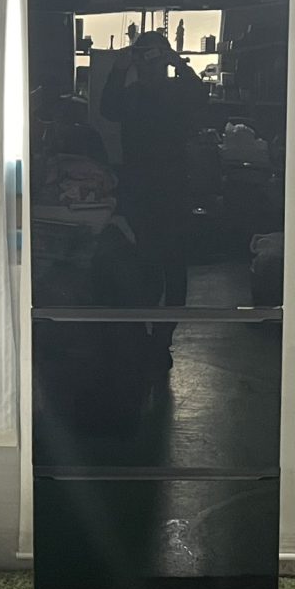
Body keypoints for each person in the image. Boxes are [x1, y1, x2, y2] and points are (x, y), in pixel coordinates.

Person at [99, 30, 207, 361]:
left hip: (166, 187)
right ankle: (149, 334)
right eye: (145, 55)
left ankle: (161, 337)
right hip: (147, 186)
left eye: (154, 55)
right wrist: (120, 69)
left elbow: (200, 98)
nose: (150, 62)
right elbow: (108, 109)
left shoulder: (175, 92)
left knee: (169, 264)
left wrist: (179, 64)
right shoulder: (133, 95)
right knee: (147, 262)